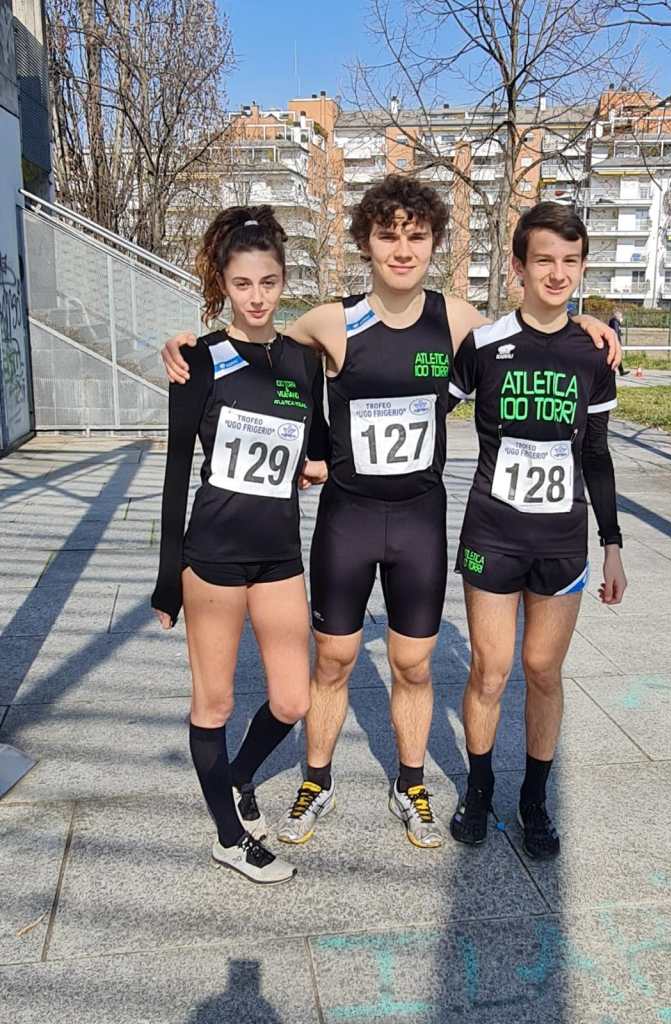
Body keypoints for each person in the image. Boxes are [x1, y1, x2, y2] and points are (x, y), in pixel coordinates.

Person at [159, 175, 621, 851]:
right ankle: (316, 780)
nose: (402, 250)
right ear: (366, 244)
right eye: (387, 236)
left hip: (419, 522)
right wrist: (186, 348)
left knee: (413, 664)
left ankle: (411, 784)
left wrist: (583, 322)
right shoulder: (329, 321)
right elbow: (256, 339)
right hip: (347, 520)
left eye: (417, 237)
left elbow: (533, 325)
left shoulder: (457, 319)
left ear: (434, 243)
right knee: (333, 660)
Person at [151, 206, 329, 883]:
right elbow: (175, 471)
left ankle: (237, 776)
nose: (257, 297)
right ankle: (229, 838)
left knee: (292, 700)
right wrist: (167, 578)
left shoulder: (303, 361)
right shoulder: (197, 359)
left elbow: (314, 444)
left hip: (279, 554)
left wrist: (313, 465)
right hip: (213, 556)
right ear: (223, 285)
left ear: (284, 281)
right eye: (243, 284)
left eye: (269, 283)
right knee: (215, 703)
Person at [447, 202, 627, 859]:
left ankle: (533, 800)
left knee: (543, 670)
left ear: (582, 267)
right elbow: (426, 410)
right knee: (490, 671)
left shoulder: (593, 353)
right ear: (518, 266)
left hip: (561, 542)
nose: (557, 273)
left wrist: (613, 545)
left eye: (570, 261)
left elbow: (597, 456)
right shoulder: (484, 344)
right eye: (544, 259)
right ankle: (479, 789)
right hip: (492, 535)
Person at [607, 308, 630, 376]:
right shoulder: (615, 322)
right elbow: (615, 332)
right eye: (621, 316)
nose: (621, 318)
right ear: (618, 316)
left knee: (616, 356)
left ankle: (621, 371)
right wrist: (617, 343)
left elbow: (616, 331)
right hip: (615, 342)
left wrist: (620, 333)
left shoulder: (615, 322)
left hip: (614, 341)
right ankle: (619, 371)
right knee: (616, 356)